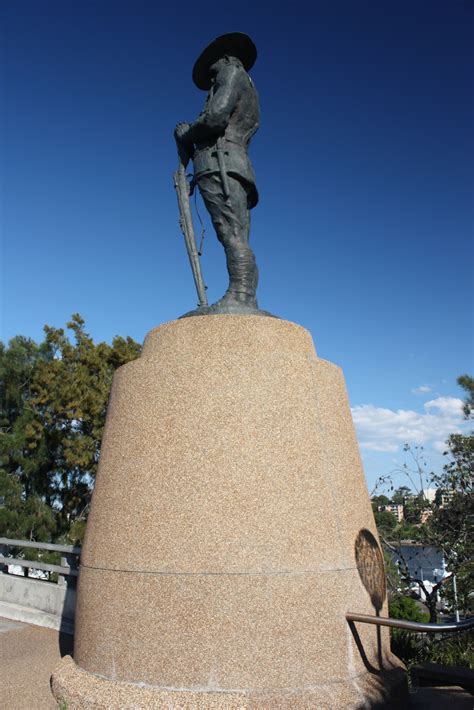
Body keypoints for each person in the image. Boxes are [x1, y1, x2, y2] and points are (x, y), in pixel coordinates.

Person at [175, 33, 261, 312]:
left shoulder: (231, 73)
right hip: (235, 164)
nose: (210, 75)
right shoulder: (246, 82)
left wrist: (188, 133)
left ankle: (240, 294)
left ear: (224, 57)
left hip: (220, 163)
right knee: (236, 233)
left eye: (211, 66)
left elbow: (215, 116)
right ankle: (246, 296)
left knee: (229, 233)